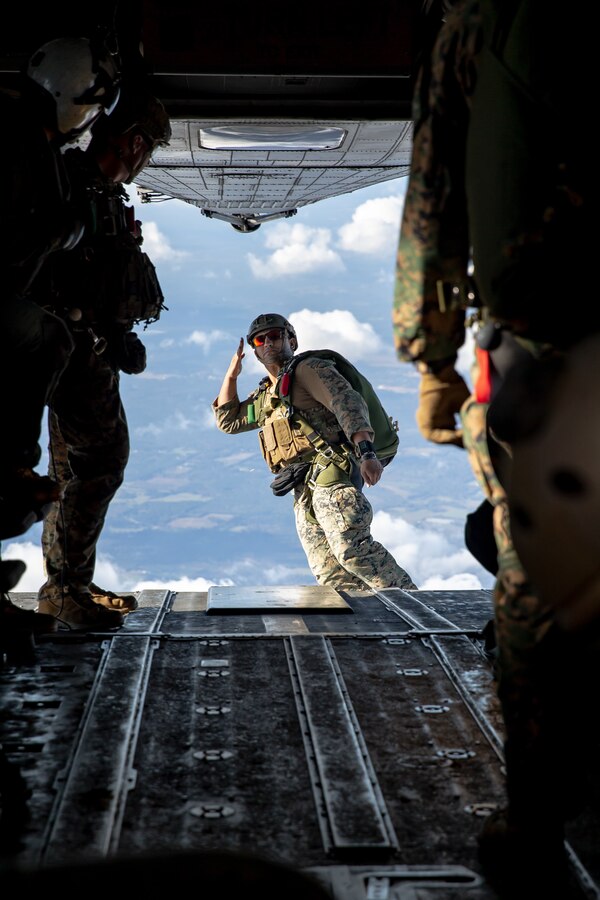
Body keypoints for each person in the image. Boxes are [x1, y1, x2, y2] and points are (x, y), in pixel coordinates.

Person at [391, 0, 597, 894]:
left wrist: (430, 353)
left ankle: (537, 820)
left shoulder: (480, 19)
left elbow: (435, 197)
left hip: (545, 346)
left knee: (538, 581)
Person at [33, 85, 171, 631]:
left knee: (71, 468)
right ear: (135, 142)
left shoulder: (89, 188)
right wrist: (89, 333)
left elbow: (100, 274)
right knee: (101, 462)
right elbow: (46, 273)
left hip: (83, 347)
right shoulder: (67, 186)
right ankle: (65, 589)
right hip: (70, 349)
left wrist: (115, 332)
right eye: (149, 148)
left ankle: (66, 585)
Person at [0, 35, 121, 645]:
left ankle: (65, 585)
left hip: (80, 334)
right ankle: (65, 587)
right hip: (53, 332)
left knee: (93, 460)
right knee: (85, 460)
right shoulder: (31, 157)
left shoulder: (42, 154)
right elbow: (25, 250)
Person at [213, 314, 417, 592]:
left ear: (291, 340)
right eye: (260, 340)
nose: (268, 343)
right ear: (255, 351)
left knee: (353, 551)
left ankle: (415, 606)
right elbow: (229, 420)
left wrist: (367, 453)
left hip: (333, 480)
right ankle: (360, 629)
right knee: (331, 574)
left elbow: (347, 403)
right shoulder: (267, 396)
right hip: (304, 490)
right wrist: (232, 374)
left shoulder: (308, 370)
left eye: (275, 335)